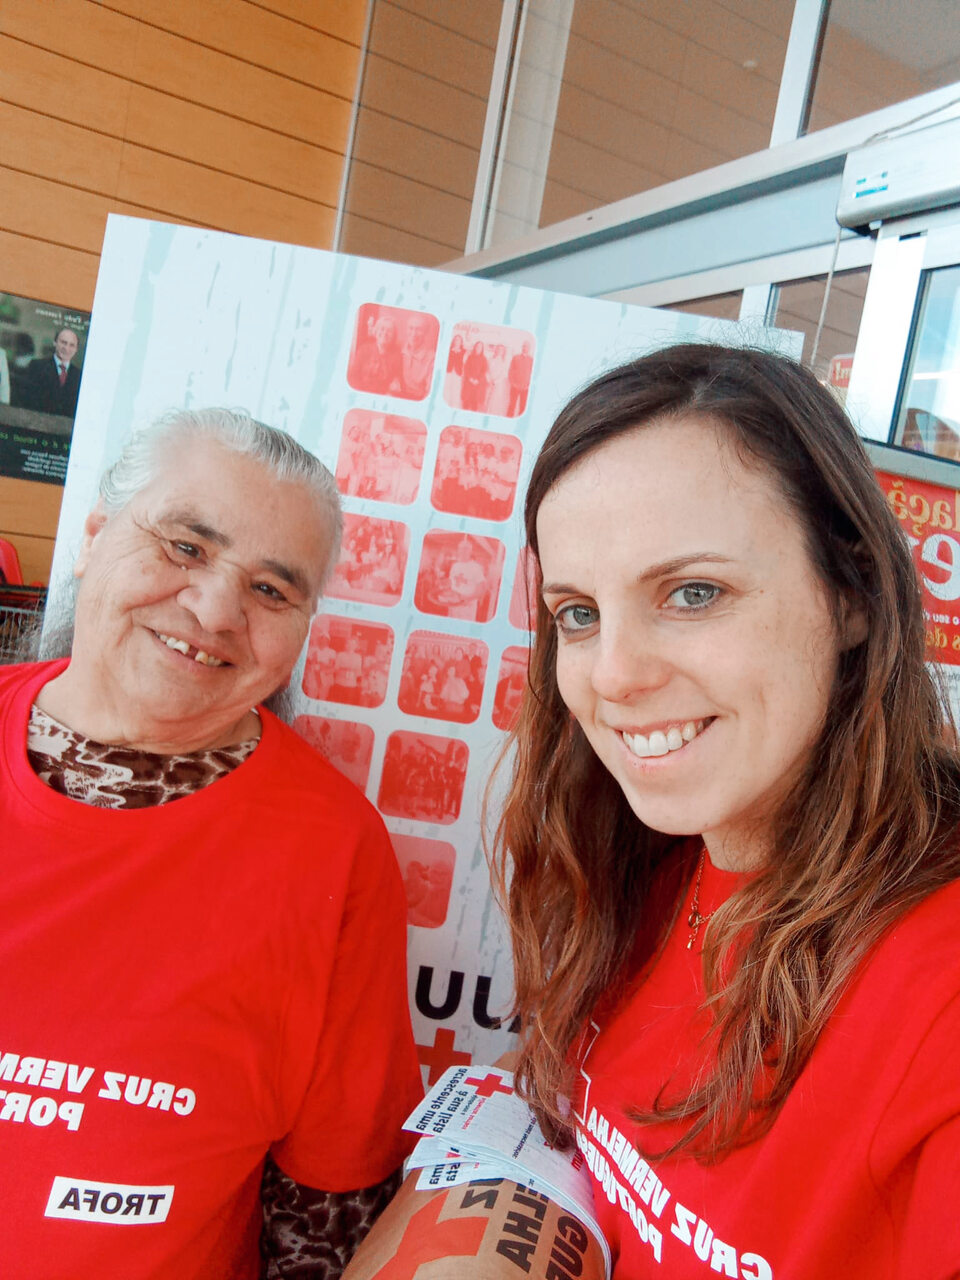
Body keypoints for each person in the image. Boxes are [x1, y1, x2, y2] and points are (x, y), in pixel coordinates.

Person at [489, 343, 960, 1276]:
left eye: (693, 593)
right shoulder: (642, 864)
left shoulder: (937, 993)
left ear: (853, 594)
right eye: (578, 613)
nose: (614, 675)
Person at [0, 408, 421, 1279]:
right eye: (186, 547)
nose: (215, 609)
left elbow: (328, 1211)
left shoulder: (334, 851)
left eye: (271, 591)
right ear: (92, 538)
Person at [17, 326, 83, 416]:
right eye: (63, 342)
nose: (66, 348)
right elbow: (27, 400)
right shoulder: (37, 366)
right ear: (55, 343)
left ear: (76, 349)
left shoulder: (79, 375)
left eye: (72, 345)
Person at [461, 341, 489, 412]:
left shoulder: (484, 359)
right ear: (475, 347)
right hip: (469, 382)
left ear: (482, 349)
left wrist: (477, 380)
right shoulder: (470, 357)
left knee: (474, 402)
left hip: (477, 384)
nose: (478, 348)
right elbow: (466, 368)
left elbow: (484, 371)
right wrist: (470, 378)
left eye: (480, 347)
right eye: (477, 346)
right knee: (466, 402)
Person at [506, 340, 533, 416]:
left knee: (522, 407)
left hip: (525, 388)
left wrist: (528, 385)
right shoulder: (516, 357)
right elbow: (510, 371)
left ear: (529, 348)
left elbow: (533, 374)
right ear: (522, 347)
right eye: (524, 346)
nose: (525, 348)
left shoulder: (531, 360)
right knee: (512, 405)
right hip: (515, 387)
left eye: (527, 347)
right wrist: (513, 383)